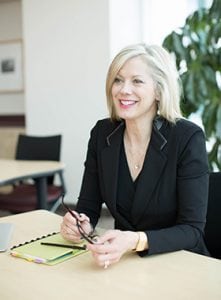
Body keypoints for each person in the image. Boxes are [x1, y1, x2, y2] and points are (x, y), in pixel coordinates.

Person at [60, 43, 210, 268]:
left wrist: (135, 240)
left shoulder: (187, 137)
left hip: (180, 262)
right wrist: (79, 225)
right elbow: (88, 208)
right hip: (124, 262)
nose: (123, 90)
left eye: (137, 81)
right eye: (118, 80)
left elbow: (192, 230)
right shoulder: (103, 134)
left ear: (159, 90)